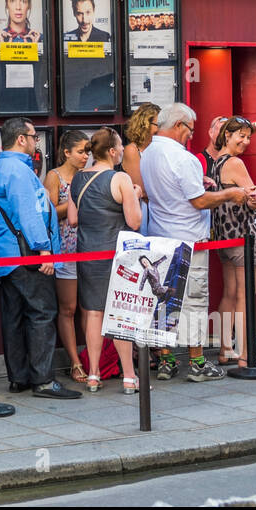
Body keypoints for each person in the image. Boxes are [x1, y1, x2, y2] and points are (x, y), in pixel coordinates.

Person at [140, 103, 249, 383]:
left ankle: (166, 361)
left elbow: (167, 190)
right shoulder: (183, 157)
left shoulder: (149, 153)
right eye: (189, 129)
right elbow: (198, 201)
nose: (191, 135)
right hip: (189, 239)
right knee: (193, 303)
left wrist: (198, 181)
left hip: (159, 236)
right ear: (178, 126)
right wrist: (230, 194)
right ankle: (198, 363)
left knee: (163, 301)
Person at [0, 116, 80, 399]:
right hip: (27, 255)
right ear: (20, 139)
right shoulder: (18, 171)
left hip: (7, 255)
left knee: (14, 317)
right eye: (33, 136)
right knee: (41, 314)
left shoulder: (1, 168)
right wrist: (44, 251)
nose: (35, 141)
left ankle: (20, 377)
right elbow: (29, 213)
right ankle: (42, 380)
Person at [68, 128, 143, 393]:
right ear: (112, 151)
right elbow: (134, 221)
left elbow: (73, 219)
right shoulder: (120, 177)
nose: (123, 150)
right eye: (121, 145)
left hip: (87, 252)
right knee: (120, 314)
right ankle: (129, 376)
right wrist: (134, 193)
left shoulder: (77, 179)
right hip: (117, 253)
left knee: (93, 313)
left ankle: (93, 374)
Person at [210, 117, 256, 370]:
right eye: (241, 136)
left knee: (230, 294)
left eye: (248, 137)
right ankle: (247, 355)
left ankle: (226, 349)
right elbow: (254, 196)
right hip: (245, 237)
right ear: (227, 135)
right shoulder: (235, 163)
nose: (245, 142)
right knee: (247, 298)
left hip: (225, 239)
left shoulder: (215, 162)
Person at [44, 129, 90, 382]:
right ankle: (74, 361)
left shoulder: (87, 176)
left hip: (88, 247)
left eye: (88, 152)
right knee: (68, 308)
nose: (85, 157)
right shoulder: (55, 177)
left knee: (90, 307)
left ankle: (93, 359)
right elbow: (49, 214)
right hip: (64, 248)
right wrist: (75, 201)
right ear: (66, 152)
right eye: (81, 152)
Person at [0, 0, 43, 113]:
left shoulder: (39, 39)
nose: (18, 7)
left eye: (23, 1)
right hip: (2, 108)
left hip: (32, 108)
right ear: (6, 4)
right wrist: (2, 52)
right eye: (12, 0)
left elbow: (43, 82)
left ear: (29, 5)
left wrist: (36, 51)